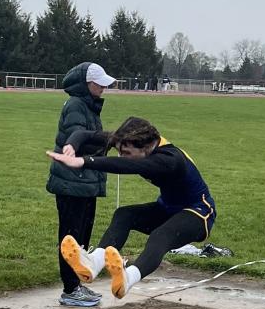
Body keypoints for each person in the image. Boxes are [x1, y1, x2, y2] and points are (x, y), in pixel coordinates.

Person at [49, 116, 217, 299]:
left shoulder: (170, 159)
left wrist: (84, 162)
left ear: (146, 148)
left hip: (199, 213)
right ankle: (93, 264)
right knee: (124, 214)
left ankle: (128, 278)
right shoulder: (130, 142)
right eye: (120, 151)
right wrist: (71, 146)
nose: (122, 155)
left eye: (126, 152)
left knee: (160, 235)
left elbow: (129, 165)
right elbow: (82, 134)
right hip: (168, 209)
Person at [46, 62, 112, 307]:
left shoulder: (88, 106)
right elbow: (79, 139)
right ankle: (70, 288)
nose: (104, 88)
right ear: (87, 84)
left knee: (82, 236)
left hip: (84, 181)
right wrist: (109, 143)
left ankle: (76, 284)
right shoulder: (76, 105)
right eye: (99, 83)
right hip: (72, 182)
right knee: (71, 237)